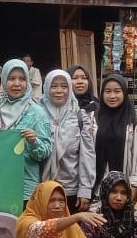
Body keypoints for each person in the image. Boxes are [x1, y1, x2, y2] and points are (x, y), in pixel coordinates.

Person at [0, 59, 51, 202]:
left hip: (25, 186)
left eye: (22, 79)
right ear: (4, 80)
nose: (17, 83)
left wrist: (34, 141)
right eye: (11, 78)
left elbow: (46, 151)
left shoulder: (36, 112)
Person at [40, 70, 96, 213]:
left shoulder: (79, 116)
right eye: (54, 86)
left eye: (64, 86)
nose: (59, 91)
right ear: (46, 88)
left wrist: (85, 189)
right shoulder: (36, 114)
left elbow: (87, 155)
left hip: (71, 190)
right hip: (41, 188)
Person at [94, 74, 136, 198]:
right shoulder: (94, 119)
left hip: (123, 190)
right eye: (107, 91)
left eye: (117, 91)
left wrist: (134, 188)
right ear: (102, 94)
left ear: (124, 93)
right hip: (98, 186)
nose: (112, 96)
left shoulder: (134, 122)